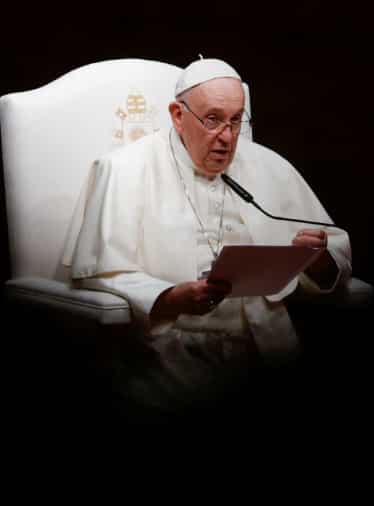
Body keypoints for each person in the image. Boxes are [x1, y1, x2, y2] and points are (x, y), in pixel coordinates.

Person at [61, 58, 351, 421]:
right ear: (178, 115)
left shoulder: (269, 165)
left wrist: (319, 260)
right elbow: (99, 274)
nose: (227, 137)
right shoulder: (123, 169)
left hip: (266, 348)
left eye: (236, 120)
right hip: (165, 357)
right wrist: (170, 298)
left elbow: (333, 256)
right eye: (213, 119)